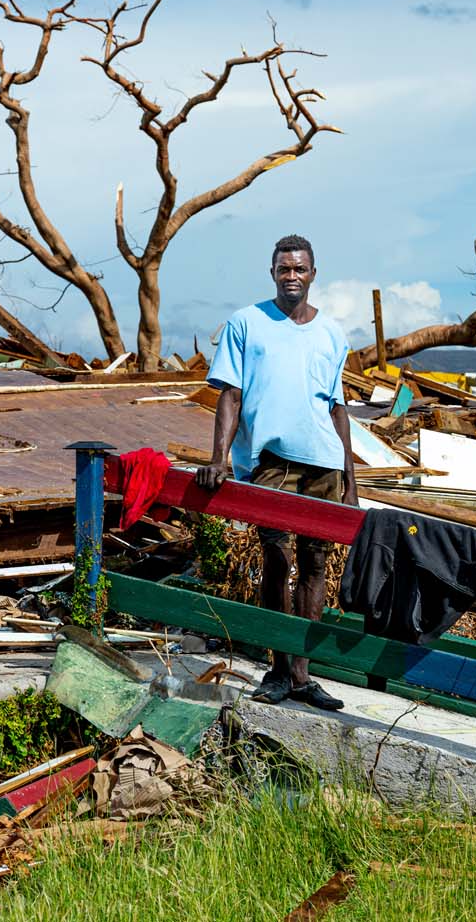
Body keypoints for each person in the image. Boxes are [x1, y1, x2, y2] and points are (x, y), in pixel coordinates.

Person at [197, 234, 355, 710]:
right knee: (275, 557)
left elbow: (338, 408)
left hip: (323, 463)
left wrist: (352, 481)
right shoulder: (247, 323)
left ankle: (302, 675)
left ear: (313, 273)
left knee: (314, 564)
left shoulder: (332, 334)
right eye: (284, 269)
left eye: (300, 269)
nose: (292, 276)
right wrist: (219, 458)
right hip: (270, 461)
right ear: (273, 273)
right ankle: (278, 668)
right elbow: (230, 394)